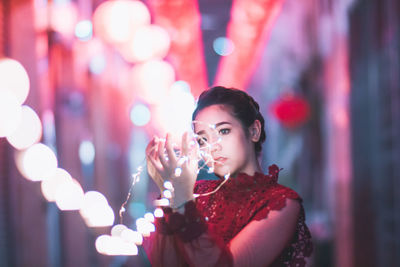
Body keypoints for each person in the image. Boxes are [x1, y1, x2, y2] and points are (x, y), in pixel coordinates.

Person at [144, 86, 313, 266]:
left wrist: (183, 202)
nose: (213, 147)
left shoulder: (282, 203)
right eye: (203, 140)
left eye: (224, 131)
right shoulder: (196, 194)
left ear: (254, 131)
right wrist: (169, 193)